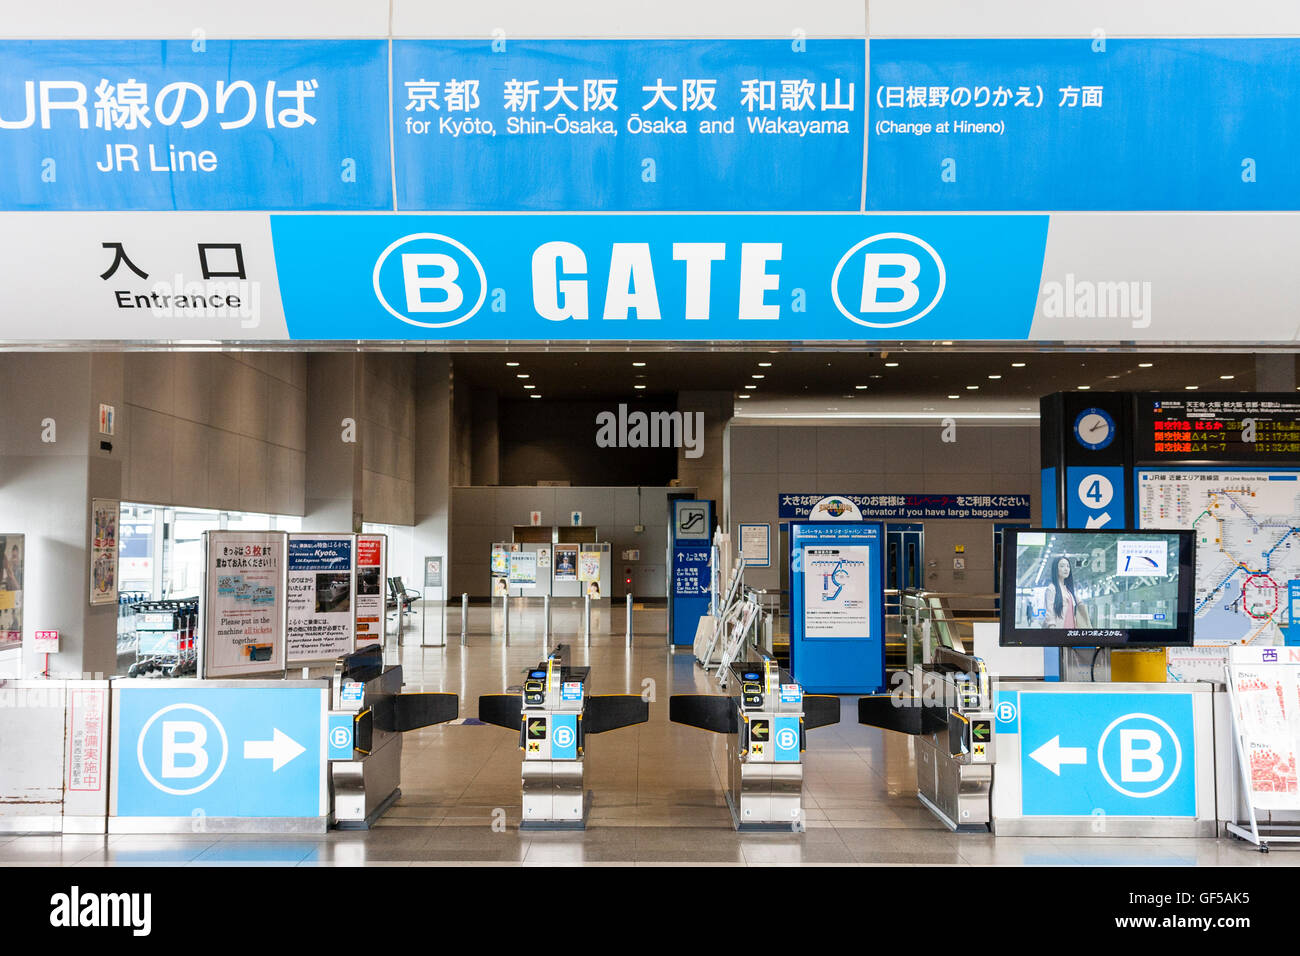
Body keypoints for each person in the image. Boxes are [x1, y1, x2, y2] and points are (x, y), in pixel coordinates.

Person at [1042, 555, 1090, 628]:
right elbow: (1049, 613)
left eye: (1068, 566)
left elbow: (1078, 606)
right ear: (1056, 569)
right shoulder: (1051, 589)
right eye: (1062, 566)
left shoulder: (1068, 590)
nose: (1066, 569)